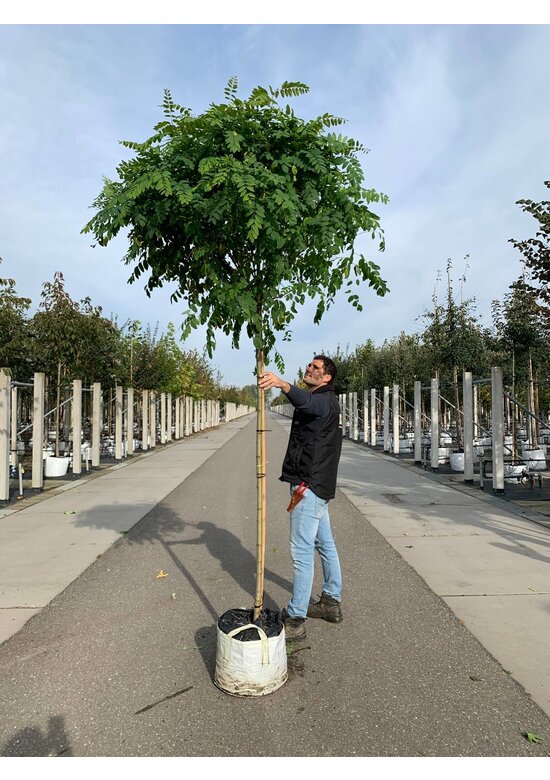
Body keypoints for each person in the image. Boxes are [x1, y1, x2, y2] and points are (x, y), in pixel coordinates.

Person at [258, 355, 343, 642]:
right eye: (309, 365)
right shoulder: (323, 399)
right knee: (324, 542)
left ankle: (295, 618)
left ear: (327, 377)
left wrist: (282, 384)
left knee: (302, 551)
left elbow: (307, 403)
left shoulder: (324, 400)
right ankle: (330, 602)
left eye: (316, 368)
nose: (309, 369)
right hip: (317, 485)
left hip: (308, 487)